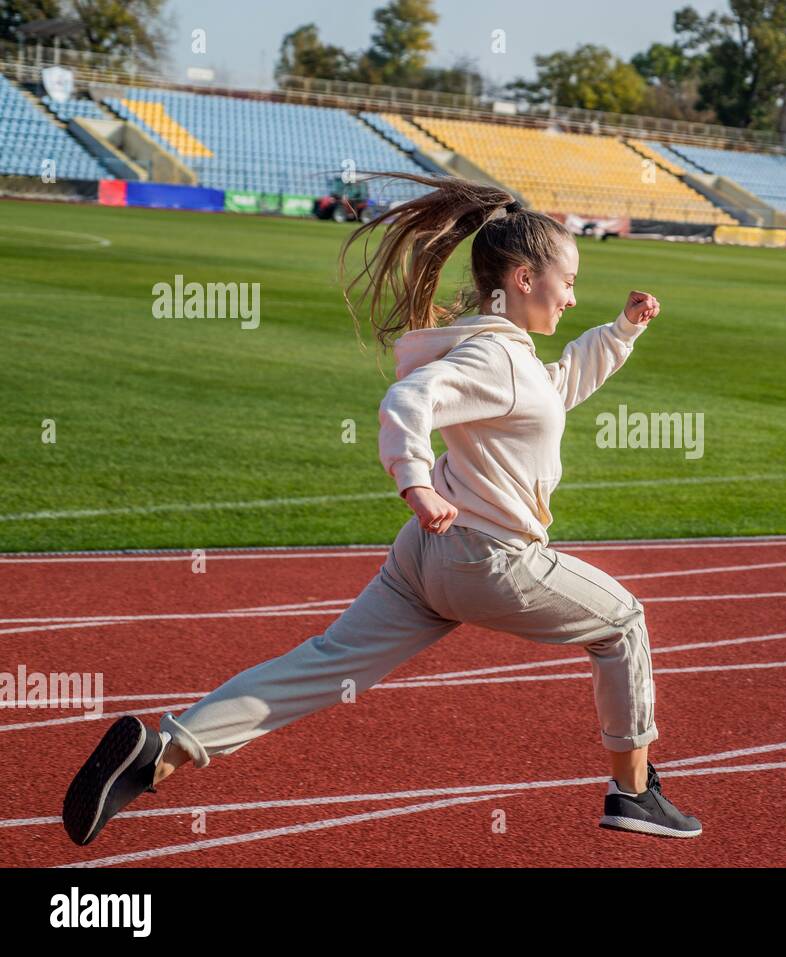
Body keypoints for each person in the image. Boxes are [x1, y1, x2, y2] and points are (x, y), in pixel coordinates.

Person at [61, 173, 702, 848]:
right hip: (487, 558)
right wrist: (416, 481)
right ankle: (634, 792)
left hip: (424, 558)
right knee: (623, 620)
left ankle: (162, 750)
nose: (572, 297)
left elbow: (555, 386)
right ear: (521, 277)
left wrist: (622, 330)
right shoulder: (495, 356)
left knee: (326, 662)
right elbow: (408, 404)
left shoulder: (498, 350)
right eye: (567, 281)